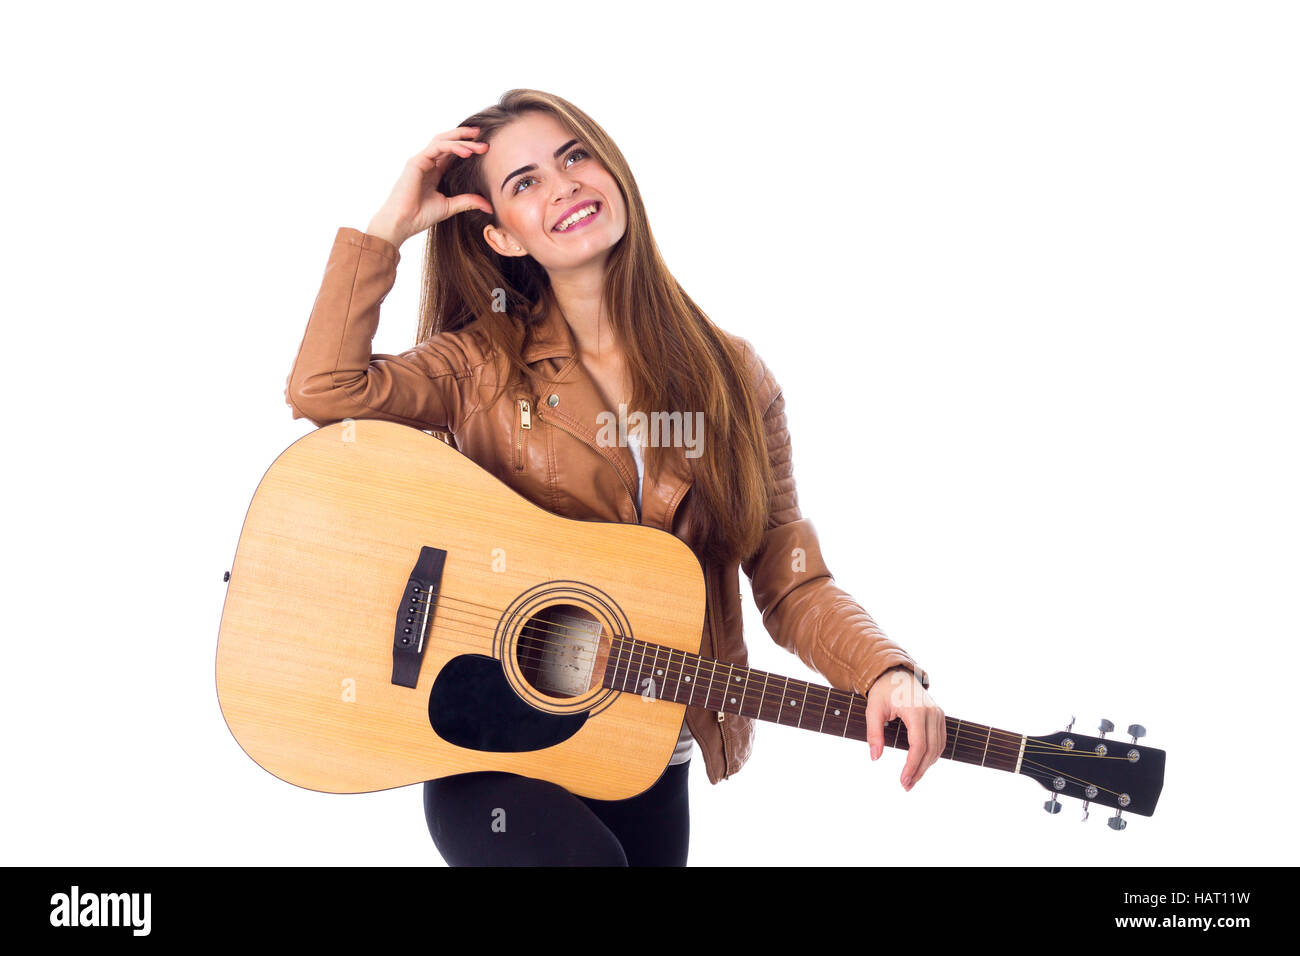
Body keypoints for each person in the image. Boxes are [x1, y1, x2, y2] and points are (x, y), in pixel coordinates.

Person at [284, 88, 945, 866]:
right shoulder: (480, 364)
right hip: (496, 748)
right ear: (501, 235)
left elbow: (787, 573)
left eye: (574, 157)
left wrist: (886, 670)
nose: (562, 185)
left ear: (615, 173)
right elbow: (324, 390)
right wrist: (386, 229)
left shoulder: (735, 378)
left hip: (645, 754)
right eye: (524, 182)